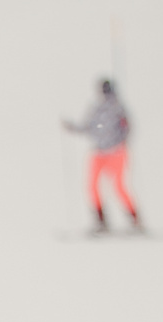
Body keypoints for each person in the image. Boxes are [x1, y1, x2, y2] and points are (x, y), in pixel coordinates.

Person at [63, 78, 141, 234]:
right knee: (93, 186)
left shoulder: (118, 107)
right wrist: (72, 127)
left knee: (118, 186)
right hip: (100, 152)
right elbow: (88, 126)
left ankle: (134, 219)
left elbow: (127, 127)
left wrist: (121, 139)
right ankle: (101, 221)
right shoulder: (98, 108)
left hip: (116, 151)